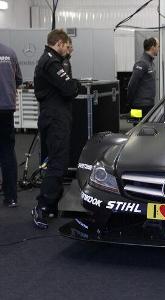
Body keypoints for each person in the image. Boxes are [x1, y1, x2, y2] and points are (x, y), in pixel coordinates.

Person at [32, 29, 80, 229]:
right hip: (55, 119)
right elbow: (69, 89)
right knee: (57, 163)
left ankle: (51, 204)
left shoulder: (51, 60)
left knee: (57, 161)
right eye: (65, 45)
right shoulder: (51, 62)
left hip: (56, 117)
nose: (67, 49)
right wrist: (75, 84)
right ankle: (42, 206)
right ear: (59, 43)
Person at [0, 42, 22, 208]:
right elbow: (18, 79)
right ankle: (11, 197)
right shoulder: (10, 52)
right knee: (7, 152)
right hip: (6, 108)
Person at [127, 37, 160, 117]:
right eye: (158, 46)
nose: (159, 49)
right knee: (136, 128)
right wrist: (130, 104)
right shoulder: (141, 63)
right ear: (152, 47)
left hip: (148, 106)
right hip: (138, 106)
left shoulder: (151, 63)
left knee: (147, 128)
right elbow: (131, 85)